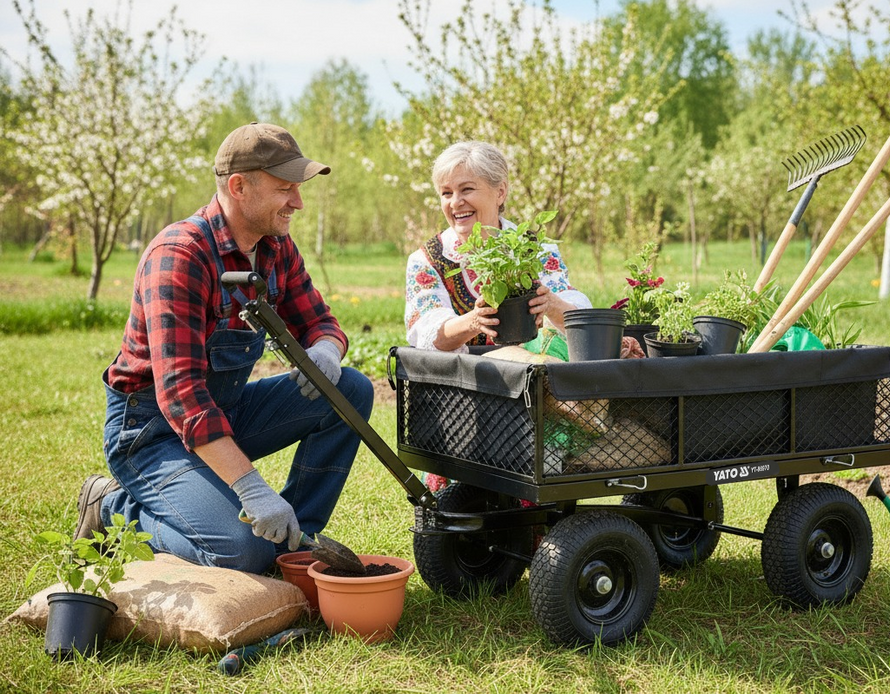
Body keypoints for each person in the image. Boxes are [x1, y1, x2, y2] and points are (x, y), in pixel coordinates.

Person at [75, 122, 374, 574]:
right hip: (152, 433)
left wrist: (326, 349)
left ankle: (291, 546)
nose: (298, 202)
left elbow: (320, 322)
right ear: (238, 187)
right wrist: (252, 488)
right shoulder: (179, 255)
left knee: (349, 390)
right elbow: (181, 395)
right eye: (285, 189)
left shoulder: (275, 247)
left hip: (224, 411)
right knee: (240, 551)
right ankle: (112, 508)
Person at [405, 140, 591, 353]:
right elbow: (427, 335)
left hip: (532, 370)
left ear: (500, 192)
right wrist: (474, 321)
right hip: (462, 373)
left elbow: (582, 322)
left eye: (467, 189)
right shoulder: (427, 260)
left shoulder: (535, 249)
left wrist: (551, 304)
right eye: (446, 193)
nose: (455, 202)